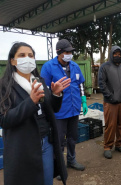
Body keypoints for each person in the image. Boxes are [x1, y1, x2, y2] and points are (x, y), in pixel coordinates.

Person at [0, 42, 71, 185]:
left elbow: (52, 109)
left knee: (46, 181)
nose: (27, 58)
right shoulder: (5, 86)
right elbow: (4, 120)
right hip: (23, 147)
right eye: (22, 55)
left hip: (45, 142)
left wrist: (56, 95)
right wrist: (31, 102)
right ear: (12, 61)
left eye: (30, 55)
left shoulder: (39, 81)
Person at [41, 39, 88, 173]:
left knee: (73, 138)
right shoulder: (48, 67)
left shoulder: (74, 66)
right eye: (67, 52)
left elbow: (80, 84)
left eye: (70, 52)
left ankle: (72, 160)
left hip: (74, 109)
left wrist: (83, 100)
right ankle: (59, 166)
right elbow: (45, 89)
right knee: (59, 140)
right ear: (59, 52)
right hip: (59, 112)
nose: (69, 54)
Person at [98, 46, 121, 159]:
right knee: (110, 125)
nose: (117, 56)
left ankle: (119, 144)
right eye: (115, 54)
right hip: (110, 102)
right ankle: (107, 147)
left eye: (119, 54)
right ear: (111, 55)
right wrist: (110, 97)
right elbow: (102, 83)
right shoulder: (105, 67)